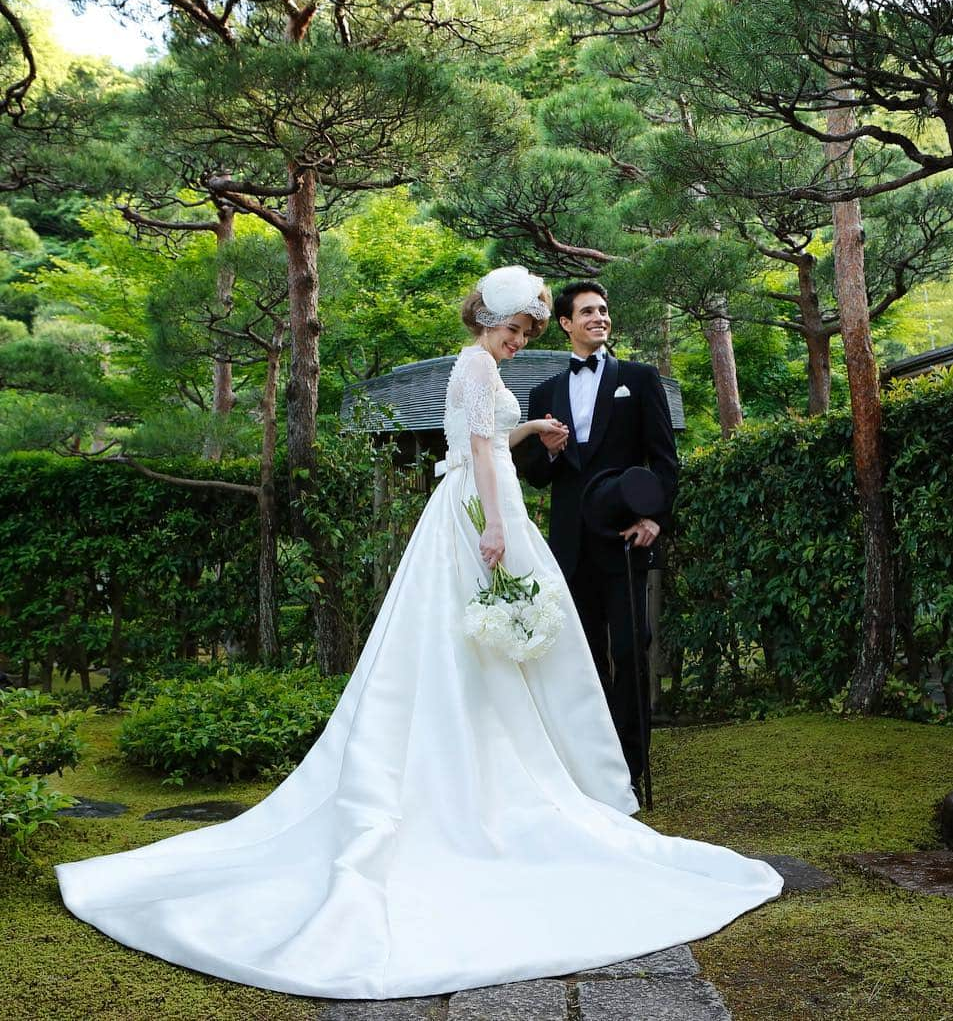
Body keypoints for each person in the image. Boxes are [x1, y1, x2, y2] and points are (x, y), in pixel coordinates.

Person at [55, 266, 781, 1001]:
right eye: (514, 332)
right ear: (492, 323)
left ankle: (577, 768)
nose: (515, 344)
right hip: (480, 514)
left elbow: (498, 437)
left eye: (525, 334)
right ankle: (482, 777)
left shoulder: (519, 372)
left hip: (508, 508)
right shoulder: (472, 364)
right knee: (482, 641)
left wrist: (530, 428)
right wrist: (497, 524)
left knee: (525, 644)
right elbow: (476, 450)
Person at [514, 280, 676, 795]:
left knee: (630, 652)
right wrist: (553, 450)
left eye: (603, 310)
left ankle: (632, 768)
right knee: (582, 661)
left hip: (629, 541)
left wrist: (655, 519)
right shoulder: (542, 395)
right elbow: (532, 472)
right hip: (570, 546)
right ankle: (592, 767)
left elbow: (665, 460)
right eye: (587, 311)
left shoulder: (640, 379)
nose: (599, 318)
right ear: (565, 323)